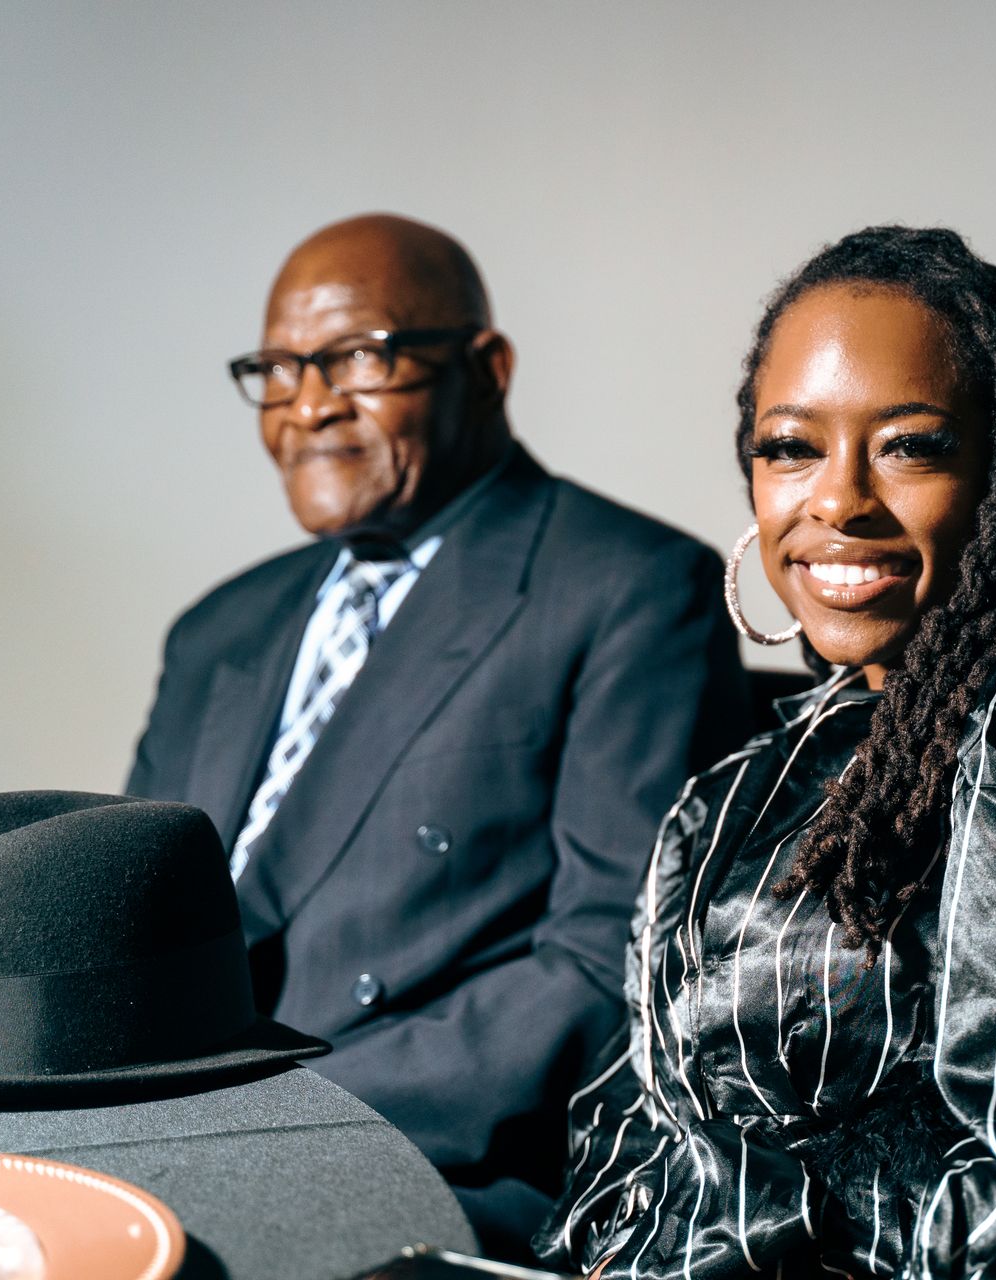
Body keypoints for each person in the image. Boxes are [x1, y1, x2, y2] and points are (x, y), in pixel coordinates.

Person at [534, 227, 996, 1278]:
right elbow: (640, 1120)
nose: (837, 500)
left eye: (909, 446)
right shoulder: (755, 775)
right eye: (790, 448)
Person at [126, 213, 751, 1258]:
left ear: (487, 369)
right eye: (277, 370)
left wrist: (268, 1118)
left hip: (426, 1159)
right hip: (158, 1122)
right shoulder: (218, 628)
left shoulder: (629, 589)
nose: (310, 404)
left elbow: (607, 959)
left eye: (360, 357)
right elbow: (131, 914)